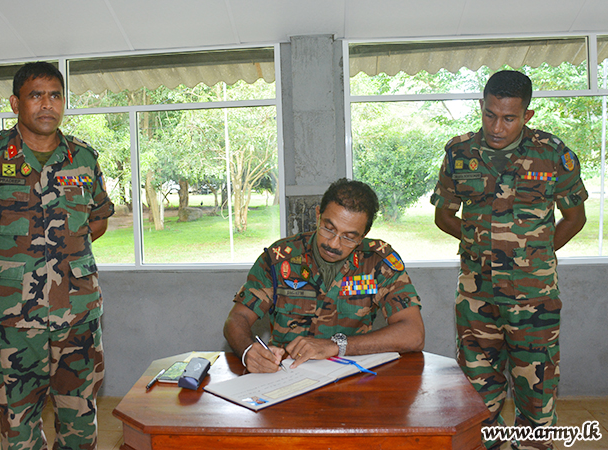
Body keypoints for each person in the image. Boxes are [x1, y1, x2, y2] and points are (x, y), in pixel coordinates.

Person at [0, 61, 115, 449]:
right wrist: (0, 256)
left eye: (55, 95)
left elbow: (99, 219)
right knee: (18, 417)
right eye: (36, 95)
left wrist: (67, 251)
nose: (47, 104)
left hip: (77, 311)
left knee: (80, 412)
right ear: (16, 103)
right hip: (14, 315)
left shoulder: (83, 158)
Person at [431, 70, 587, 450]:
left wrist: (535, 254)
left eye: (508, 118)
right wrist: (480, 244)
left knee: (536, 395)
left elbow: (574, 218)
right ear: (481, 106)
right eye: (489, 115)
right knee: (476, 397)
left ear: (527, 115)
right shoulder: (459, 152)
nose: (496, 127)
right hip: (476, 298)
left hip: (534, 300)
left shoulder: (553, 154)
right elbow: (444, 215)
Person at [224, 178, 425, 374]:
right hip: (286, 373)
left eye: (349, 237)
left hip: (351, 374)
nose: (334, 243)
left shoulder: (378, 262)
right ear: (318, 215)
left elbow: (413, 333)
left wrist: (336, 346)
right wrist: (248, 351)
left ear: (363, 235)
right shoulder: (280, 259)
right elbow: (237, 318)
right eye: (329, 229)